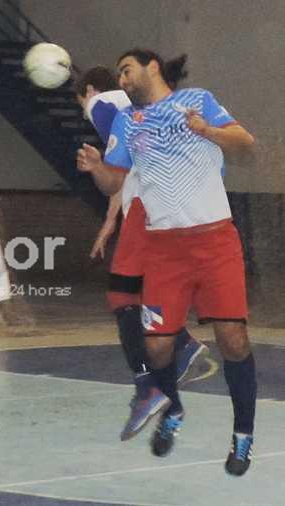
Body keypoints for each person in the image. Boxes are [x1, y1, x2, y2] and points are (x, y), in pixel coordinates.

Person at [77, 49, 256, 476]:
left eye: (126, 70)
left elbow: (244, 142)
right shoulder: (126, 121)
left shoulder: (197, 100)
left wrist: (207, 130)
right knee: (157, 346)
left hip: (215, 241)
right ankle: (172, 408)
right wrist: (97, 167)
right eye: (118, 75)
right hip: (164, 249)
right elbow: (114, 183)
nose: (122, 79)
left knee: (233, 339)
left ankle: (242, 436)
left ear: (152, 67)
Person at [76, 66, 207, 441]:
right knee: (137, 290)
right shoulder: (139, 108)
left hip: (153, 204)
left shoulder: (101, 105)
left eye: (81, 101)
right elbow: (129, 163)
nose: (84, 110)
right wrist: (110, 220)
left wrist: (99, 168)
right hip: (182, 202)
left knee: (123, 295)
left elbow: (124, 166)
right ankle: (180, 344)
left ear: (89, 90)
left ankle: (150, 382)